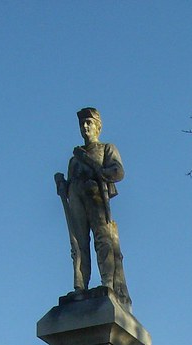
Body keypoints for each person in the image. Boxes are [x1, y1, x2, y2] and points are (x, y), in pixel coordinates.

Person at [56, 108, 131, 306]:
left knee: (102, 238)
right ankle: (80, 285)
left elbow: (118, 171)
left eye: (89, 122)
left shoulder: (106, 148)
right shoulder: (74, 159)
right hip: (76, 196)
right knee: (78, 243)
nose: (85, 126)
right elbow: (71, 180)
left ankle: (107, 282)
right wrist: (63, 187)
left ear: (98, 126)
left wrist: (102, 173)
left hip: (96, 195)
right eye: (83, 124)